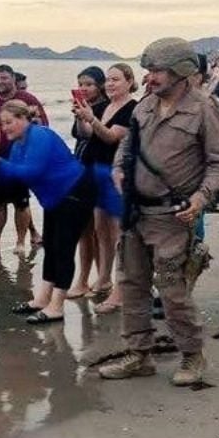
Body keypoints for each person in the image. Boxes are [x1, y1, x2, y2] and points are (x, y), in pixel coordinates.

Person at [98, 37, 219, 387]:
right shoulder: (143, 107)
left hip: (173, 217)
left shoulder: (205, 109)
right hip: (134, 214)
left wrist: (201, 200)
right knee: (131, 285)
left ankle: (192, 355)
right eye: (149, 70)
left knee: (172, 291)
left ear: (182, 72)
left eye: (157, 71)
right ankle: (138, 354)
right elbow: (127, 145)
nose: (150, 77)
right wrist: (118, 169)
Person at [0, 100, 95, 324]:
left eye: (9, 122)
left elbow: (33, 171)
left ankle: (57, 305)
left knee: (63, 247)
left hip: (75, 191)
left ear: (24, 119)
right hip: (53, 199)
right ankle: (42, 299)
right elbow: (14, 176)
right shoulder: (18, 144)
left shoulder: (40, 135)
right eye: (2, 124)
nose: (5, 128)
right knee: (50, 245)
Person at [69, 64, 137, 314]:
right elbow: (88, 134)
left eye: (115, 80)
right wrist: (81, 116)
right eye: (107, 80)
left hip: (117, 175)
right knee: (100, 230)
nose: (109, 84)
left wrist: (92, 119)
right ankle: (104, 277)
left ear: (129, 81)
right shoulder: (103, 106)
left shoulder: (133, 108)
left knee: (119, 233)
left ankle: (122, 285)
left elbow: (111, 136)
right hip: (96, 172)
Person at [0, 64, 45, 250]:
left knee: (21, 203)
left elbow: (44, 126)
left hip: (22, 158)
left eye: (4, 78)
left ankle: (20, 242)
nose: (0, 82)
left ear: (13, 79)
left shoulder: (27, 99)